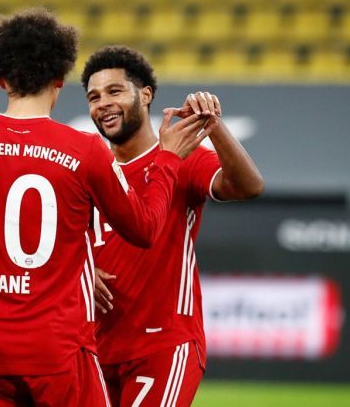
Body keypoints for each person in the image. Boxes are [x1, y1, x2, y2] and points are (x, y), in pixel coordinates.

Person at [0, 7, 210, 407]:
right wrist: (167, 159)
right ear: (60, 78)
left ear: (3, 77)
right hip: (48, 347)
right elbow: (145, 228)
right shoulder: (85, 149)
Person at [81, 46, 264, 407]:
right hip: (94, 347)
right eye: (94, 96)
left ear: (145, 94)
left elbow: (248, 186)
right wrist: (79, 267)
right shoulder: (89, 167)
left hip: (163, 344)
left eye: (114, 91)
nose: (102, 103)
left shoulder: (183, 159)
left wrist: (213, 125)